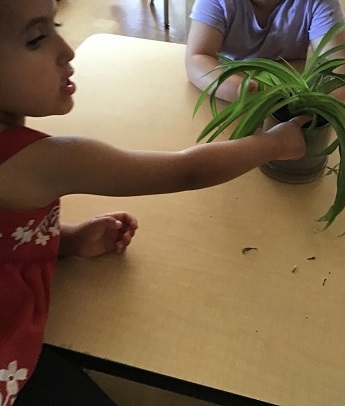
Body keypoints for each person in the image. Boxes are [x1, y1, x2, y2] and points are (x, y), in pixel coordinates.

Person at [0, 0, 309, 404]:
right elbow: (185, 171)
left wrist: (66, 240)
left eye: (56, 25)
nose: (68, 49)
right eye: (38, 38)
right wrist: (271, 144)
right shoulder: (41, 160)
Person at [185, 0, 345, 102]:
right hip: (227, 94)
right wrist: (238, 90)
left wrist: (320, 107)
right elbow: (197, 57)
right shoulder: (218, 2)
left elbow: (337, 65)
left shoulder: (320, 3)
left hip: (291, 96)